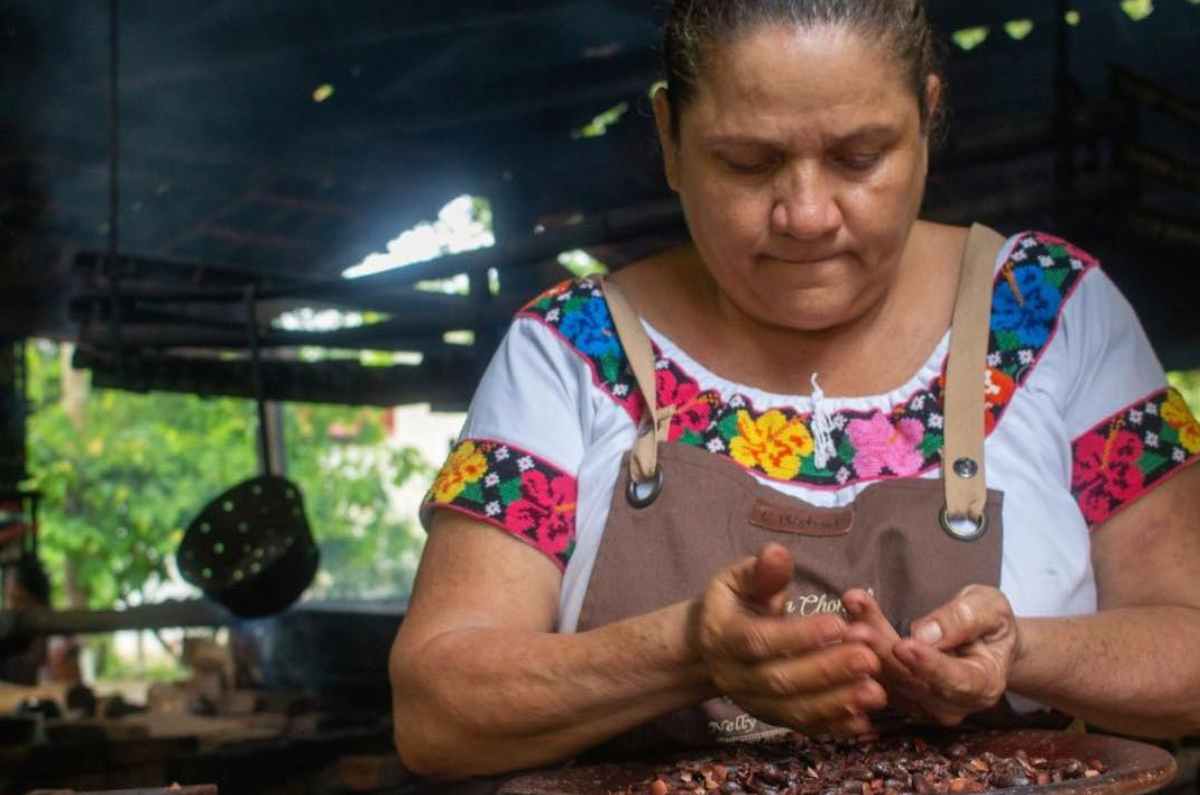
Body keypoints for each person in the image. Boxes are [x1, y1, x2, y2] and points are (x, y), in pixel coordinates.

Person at [390, 0, 1200, 780]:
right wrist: (685, 652)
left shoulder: (1052, 312)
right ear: (671, 138)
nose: (806, 215)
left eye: (858, 158)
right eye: (748, 162)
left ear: (927, 117)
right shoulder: (569, 352)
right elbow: (435, 711)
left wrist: (1022, 652)